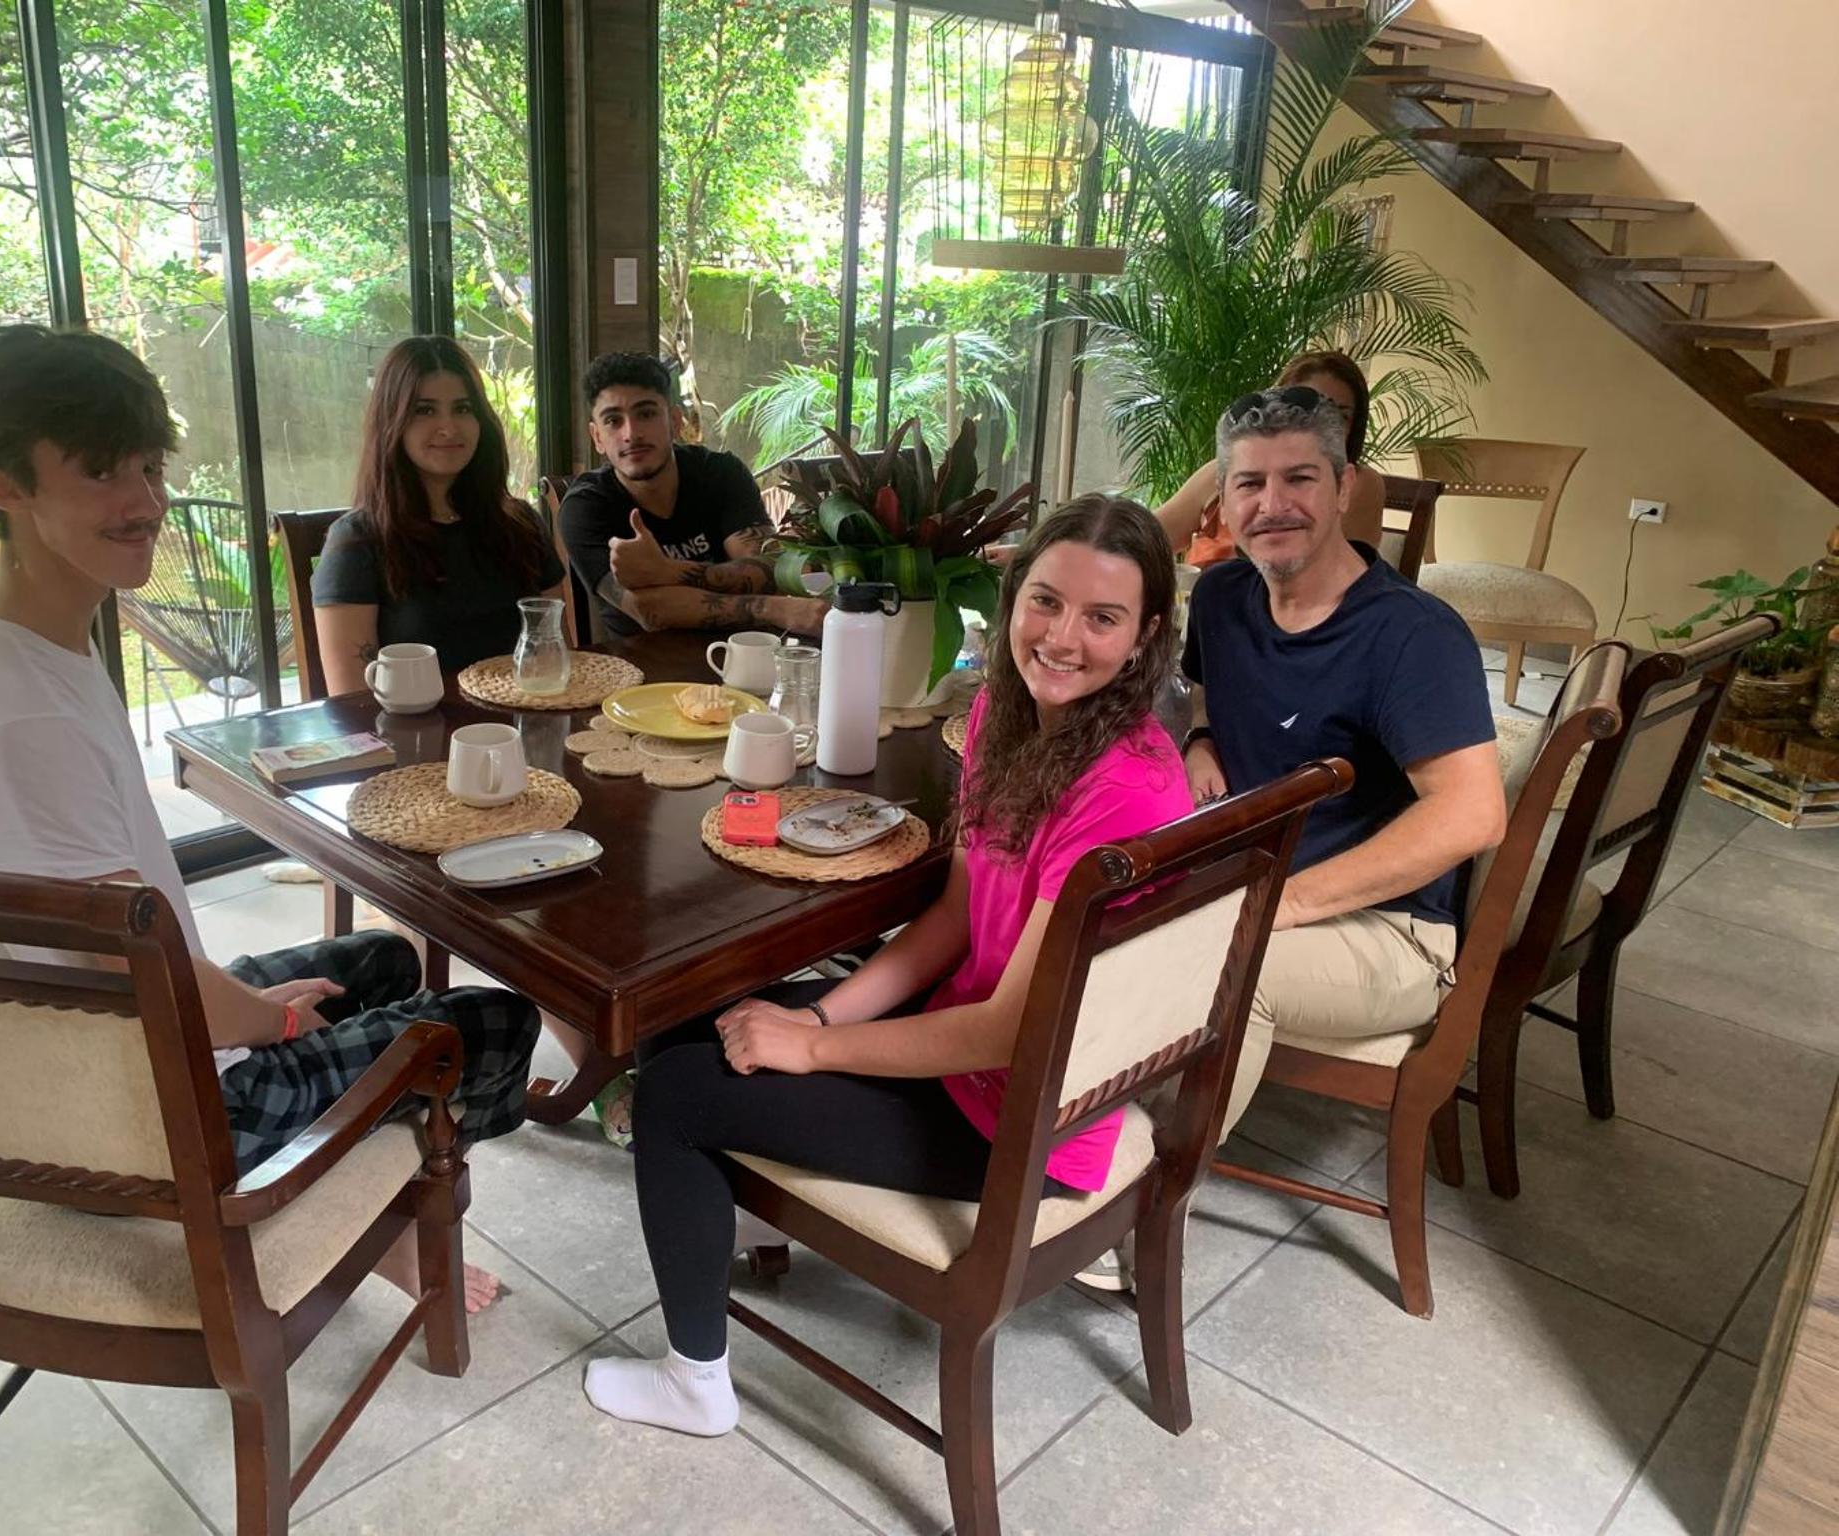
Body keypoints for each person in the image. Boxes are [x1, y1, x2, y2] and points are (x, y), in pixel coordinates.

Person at [0, 325, 542, 1314]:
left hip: (128, 1044)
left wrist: (252, 1010)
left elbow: (123, 951)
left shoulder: (20, 634)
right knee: (496, 1021)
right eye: (100, 473)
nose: (146, 501)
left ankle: (358, 1192)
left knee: (383, 964)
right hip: (142, 1121)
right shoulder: (26, 715)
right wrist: (269, 1020)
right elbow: (137, 977)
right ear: (3, 486)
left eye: (149, 466)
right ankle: (373, 1218)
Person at [580, 494, 1194, 1437]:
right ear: (1014, 597)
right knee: (684, 1012)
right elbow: (954, 917)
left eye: (1102, 618)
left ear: (1146, 634)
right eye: (1045, 601)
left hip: (1023, 1123)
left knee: (673, 1097)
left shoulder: (1126, 790)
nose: (1063, 638)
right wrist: (820, 1020)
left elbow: (1009, 1031)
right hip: (972, 1057)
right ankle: (744, 1205)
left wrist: (813, 1050)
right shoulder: (1007, 716)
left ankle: (694, 1382)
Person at [1183, 385, 1504, 1141]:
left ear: (1343, 488)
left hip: (1390, 929)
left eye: (1299, 478)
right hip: (1250, 880)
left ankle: (1142, 1192)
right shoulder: (1222, 597)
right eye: (1250, 483)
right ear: (1224, 502)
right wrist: (1201, 737)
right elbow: (1201, 688)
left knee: (1216, 967)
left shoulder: (1412, 636)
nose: (1273, 505)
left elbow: (1473, 813)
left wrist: (1281, 904)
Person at [312, 336, 569, 693]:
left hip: (525, 723)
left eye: (463, 408)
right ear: (392, 422)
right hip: (414, 730)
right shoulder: (357, 542)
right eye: (425, 410)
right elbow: (352, 702)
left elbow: (559, 661)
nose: (449, 428)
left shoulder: (522, 525)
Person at [559, 352, 827, 637]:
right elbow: (651, 611)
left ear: (675, 421)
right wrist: (774, 610)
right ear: (597, 437)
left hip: (744, 646)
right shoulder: (585, 506)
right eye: (613, 420)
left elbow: (767, 571)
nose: (631, 433)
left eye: (646, 414)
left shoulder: (720, 472)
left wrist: (666, 572)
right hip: (644, 659)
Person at [1154, 351, 1388, 564]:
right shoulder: (1221, 471)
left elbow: (1334, 575)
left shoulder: (1359, 483)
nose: (1320, 425)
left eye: (1339, 417)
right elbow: (1147, 539)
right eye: (1302, 409)